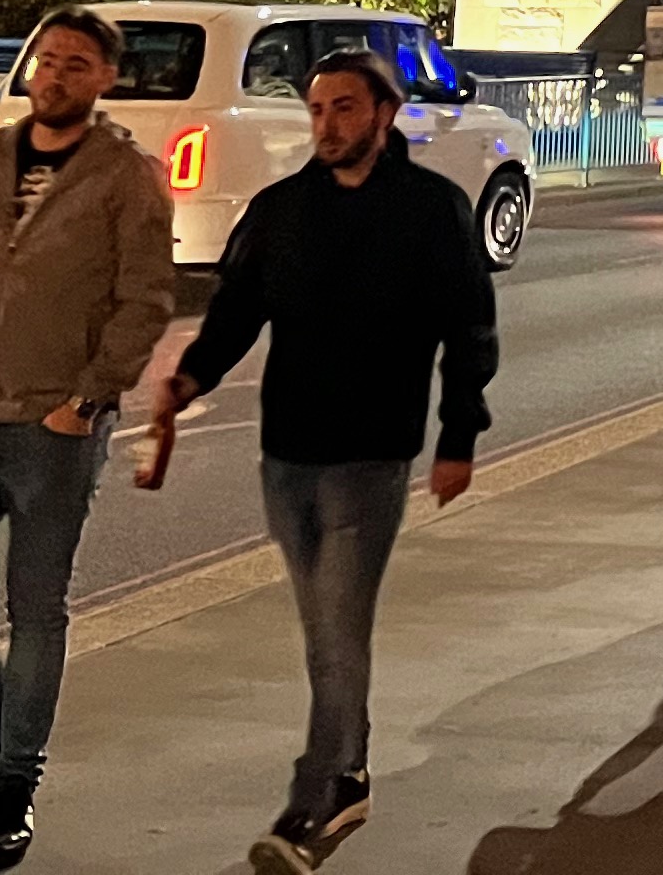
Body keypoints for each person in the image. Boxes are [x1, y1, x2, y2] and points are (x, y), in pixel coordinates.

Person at [144, 49, 495, 875]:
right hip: (286, 454)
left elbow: (469, 332)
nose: (327, 124)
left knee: (340, 628)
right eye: (317, 109)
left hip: (371, 456)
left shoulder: (429, 210)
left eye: (344, 108)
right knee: (322, 633)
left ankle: (322, 794)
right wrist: (190, 378)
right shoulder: (281, 210)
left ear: (383, 114)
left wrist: (459, 438)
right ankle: (354, 764)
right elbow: (236, 314)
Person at [0, 8, 175, 871]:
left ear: (104, 80)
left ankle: (14, 794)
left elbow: (145, 301)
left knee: (38, 613)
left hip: (56, 426)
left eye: (76, 64)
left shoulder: (126, 177)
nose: (55, 74)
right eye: (47, 60)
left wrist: (89, 402)